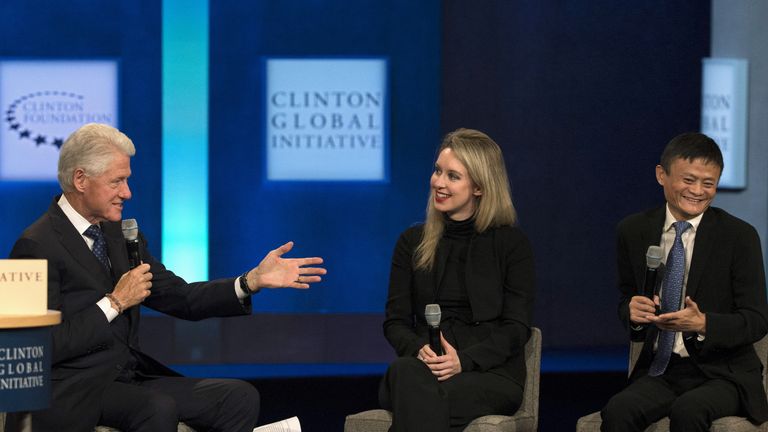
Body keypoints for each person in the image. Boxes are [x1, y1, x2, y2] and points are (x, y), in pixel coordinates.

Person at [6, 123, 326, 432]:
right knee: (156, 407)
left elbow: (180, 297)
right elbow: (34, 349)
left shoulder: (120, 236)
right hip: (72, 390)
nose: (127, 193)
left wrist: (249, 282)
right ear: (80, 179)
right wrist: (114, 302)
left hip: (127, 378)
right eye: (117, 182)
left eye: (127, 180)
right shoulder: (34, 245)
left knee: (237, 398)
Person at [600, 132, 768, 431]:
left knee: (688, 411)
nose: (698, 191)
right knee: (618, 411)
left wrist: (703, 323)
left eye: (708, 183)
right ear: (661, 175)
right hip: (663, 368)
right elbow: (627, 300)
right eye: (688, 180)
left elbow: (756, 321)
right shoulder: (633, 231)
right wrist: (632, 311)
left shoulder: (739, 236)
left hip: (724, 373)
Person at [378, 128, 536, 431]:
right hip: (423, 370)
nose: (438, 182)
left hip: (489, 375)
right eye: (438, 171)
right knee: (405, 373)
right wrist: (418, 349)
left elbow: (517, 327)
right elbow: (395, 322)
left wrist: (463, 361)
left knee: (416, 398)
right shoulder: (412, 242)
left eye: (453, 176)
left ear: (479, 187)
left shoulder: (511, 244)